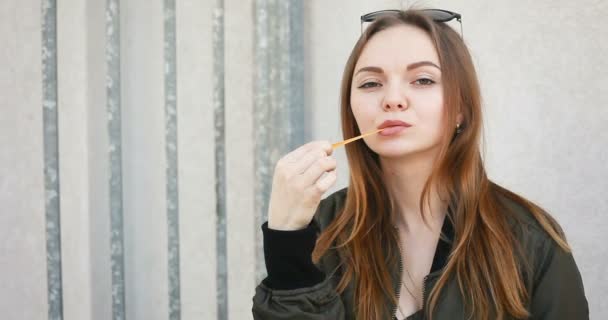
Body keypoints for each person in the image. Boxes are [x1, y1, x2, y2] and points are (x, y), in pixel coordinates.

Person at [251, 8, 589, 320]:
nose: (393, 99)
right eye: (371, 83)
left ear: (461, 109)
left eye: (423, 80)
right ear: (352, 110)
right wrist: (285, 238)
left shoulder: (530, 241)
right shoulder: (320, 234)